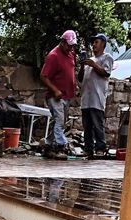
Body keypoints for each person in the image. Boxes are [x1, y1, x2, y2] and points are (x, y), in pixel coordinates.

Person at [40, 30, 78, 160]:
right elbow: (44, 76)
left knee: (58, 121)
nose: (71, 47)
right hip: (56, 95)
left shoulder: (70, 54)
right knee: (60, 120)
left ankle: (48, 145)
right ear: (62, 42)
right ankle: (60, 146)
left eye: (72, 45)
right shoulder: (53, 56)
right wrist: (55, 90)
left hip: (67, 95)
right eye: (69, 45)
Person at [79, 33, 114, 158]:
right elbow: (80, 78)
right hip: (86, 98)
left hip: (97, 97)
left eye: (96, 42)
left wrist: (94, 65)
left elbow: (106, 73)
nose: (94, 45)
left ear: (103, 44)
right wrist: (83, 65)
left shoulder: (107, 58)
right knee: (87, 126)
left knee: (97, 124)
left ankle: (100, 147)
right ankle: (88, 149)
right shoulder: (90, 60)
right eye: (93, 43)